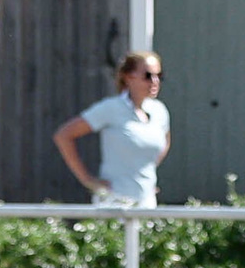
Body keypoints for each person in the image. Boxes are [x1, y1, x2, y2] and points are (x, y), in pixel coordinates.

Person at [52, 50, 170, 206]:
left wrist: (144, 170)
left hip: (147, 200)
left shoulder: (159, 110)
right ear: (128, 77)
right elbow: (64, 135)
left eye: (159, 76)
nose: (155, 81)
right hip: (114, 202)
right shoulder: (110, 108)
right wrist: (88, 181)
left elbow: (165, 141)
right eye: (148, 76)